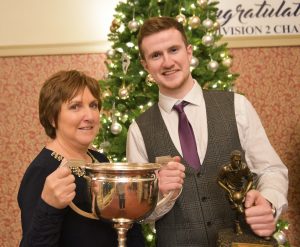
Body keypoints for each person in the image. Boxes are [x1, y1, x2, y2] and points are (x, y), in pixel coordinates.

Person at [126, 16, 288, 246]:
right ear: (145, 65)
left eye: (174, 50)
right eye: (155, 55)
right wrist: (157, 194)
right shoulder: (138, 130)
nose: (167, 62)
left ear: (189, 52)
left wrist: (268, 202)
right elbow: (138, 214)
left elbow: (271, 169)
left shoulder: (237, 106)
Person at [18, 70, 144, 247]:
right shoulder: (42, 171)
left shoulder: (100, 160)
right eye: (75, 106)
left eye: (93, 105)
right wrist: (49, 206)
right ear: (52, 118)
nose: (90, 116)